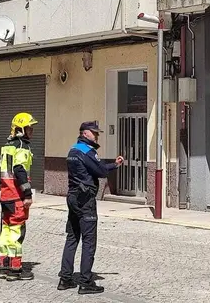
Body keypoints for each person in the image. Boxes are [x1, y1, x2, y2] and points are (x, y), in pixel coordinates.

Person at [57, 121, 125, 294]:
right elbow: (101, 170)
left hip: (72, 197)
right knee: (89, 241)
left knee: (72, 238)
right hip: (85, 200)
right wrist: (115, 165)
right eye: (95, 133)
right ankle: (86, 282)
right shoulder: (87, 151)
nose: (97, 136)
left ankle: (65, 279)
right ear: (85, 133)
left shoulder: (72, 150)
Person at [0, 112, 37, 281]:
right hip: (16, 195)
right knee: (16, 231)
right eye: (29, 128)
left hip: (6, 195)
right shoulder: (22, 146)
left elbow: (0, 171)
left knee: (6, 230)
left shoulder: (7, 146)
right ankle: (15, 269)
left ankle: (3, 265)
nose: (31, 132)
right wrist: (27, 193)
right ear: (21, 129)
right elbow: (20, 170)